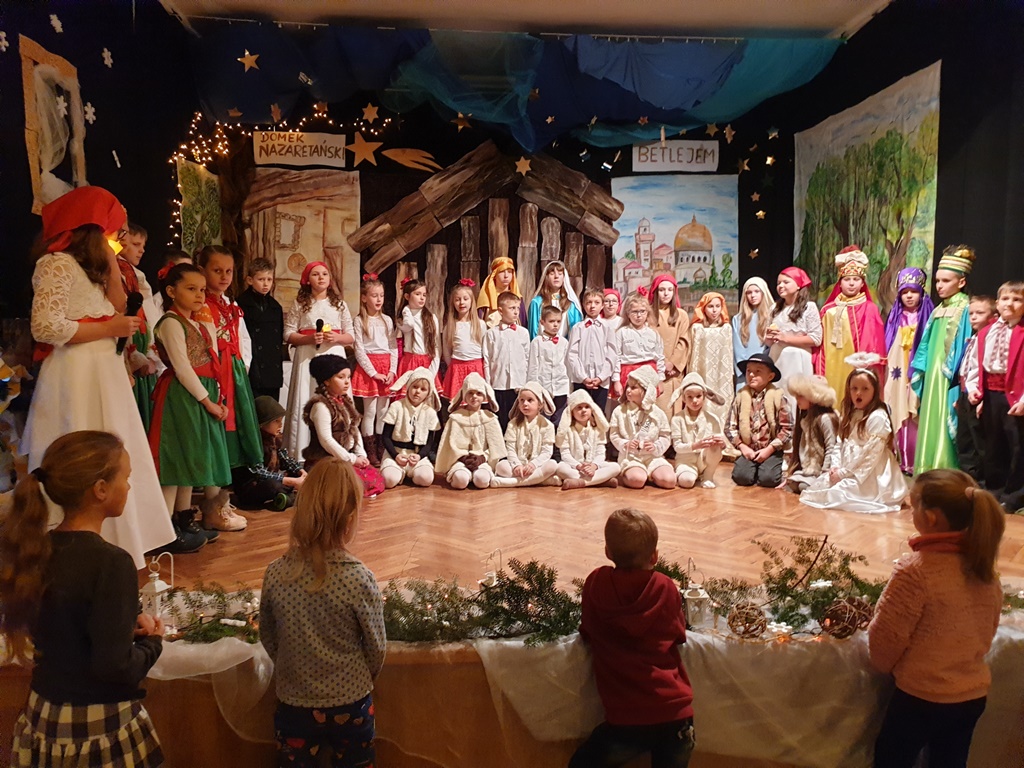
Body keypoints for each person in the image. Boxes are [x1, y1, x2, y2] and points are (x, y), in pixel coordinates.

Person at [21, 185, 174, 566]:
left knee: (113, 451)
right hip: (76, 374)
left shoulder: (94, 268)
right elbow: (45, 326)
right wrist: (108, 328)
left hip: (103, 371)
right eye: (114, 228)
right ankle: (67, 547)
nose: (119, 236)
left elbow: (120, 305)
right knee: (82, 448)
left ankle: (117, 544)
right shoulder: (56, 264)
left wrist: (109, 258)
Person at [2, 431, 165, 768]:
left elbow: (67, 628)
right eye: (126, 478)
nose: (128, 487)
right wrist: (153, 642)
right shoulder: (111, 563)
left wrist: (122, 627)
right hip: (96, 723)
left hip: (44, 712)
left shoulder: (37, 550)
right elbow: (115, 667)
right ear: (100, 489)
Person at [869, 469, 1004, 768]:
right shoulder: (985, 570)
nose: (911, 510)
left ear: (930, 518)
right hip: (972, 696)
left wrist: (885, 667)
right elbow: (989, 629)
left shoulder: (914, 572)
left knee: (891, 760)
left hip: (920, 698)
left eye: (914, 504)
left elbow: (884, 643)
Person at [260, 458, 386, 768]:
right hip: (351, 703)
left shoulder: (276, 573)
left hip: (294, 702)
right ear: (350, 518)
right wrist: (357, 679)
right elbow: (376, 647)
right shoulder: (359, 578)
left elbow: (268, 635)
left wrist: (293, 669)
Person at [570, 508, 695, 768]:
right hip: (675, 715)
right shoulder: (665, 587)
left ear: (608, 552)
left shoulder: (596, 583)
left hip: (626, 722)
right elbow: (678, 634)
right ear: (655, 556)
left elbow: (587, 630)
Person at [150, 262, 236, 541]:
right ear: (171, 291)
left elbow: (212, 360)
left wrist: (217, 397)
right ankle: (165, 528)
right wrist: (208, 402)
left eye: (201, 290)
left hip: (200, 393)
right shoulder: (170, 323)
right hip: (183, 395)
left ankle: (184, 517)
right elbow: (183, 368)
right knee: (177, 457)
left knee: (190, 456)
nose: (199, 295)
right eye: (191, 289)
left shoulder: (196, 324)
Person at [197, 245, 263, 527]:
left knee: (231, 439)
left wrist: (240, 367)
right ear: (202, 270)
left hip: (232, 374)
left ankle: (221, 502)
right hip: (214, 375)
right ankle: (212, 508)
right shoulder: (201, 305)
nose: (224, 276)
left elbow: (243, 339)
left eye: (228, 271)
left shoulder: (230, 305)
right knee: (216, 437)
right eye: (217, 270)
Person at [801, 367, 908, 513]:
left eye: (865, 389)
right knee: (819, 489)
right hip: (848, 466)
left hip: (869, 473)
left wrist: (843, 474)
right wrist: (835, 466)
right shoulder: (850, 414)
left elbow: (869, 455)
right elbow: (840, 442)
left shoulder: (878, 417)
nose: (858, 393)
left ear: (875, 391)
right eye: (854, 388)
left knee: (838, 494)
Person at [911, 245, 976, 473]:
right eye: (937, 281)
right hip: (933, 374)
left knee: (947, 418)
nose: (939, 285)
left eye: (946, 281)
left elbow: (966, 345)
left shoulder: (965, 308)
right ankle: (928, 466)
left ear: (961, 282)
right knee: (931, 417)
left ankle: (945, 467)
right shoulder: (938, 309)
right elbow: (926, 345)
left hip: (950, 377)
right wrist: (921, 370)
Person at [283, 261, 355, 456]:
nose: (321, 277)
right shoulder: (300, 304)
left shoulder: (339, 305)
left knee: (334, 396)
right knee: (307, 396)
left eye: (324, 274)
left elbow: (351, 335)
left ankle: (339, 447)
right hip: (308, 356)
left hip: (333, 355)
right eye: (315, 274)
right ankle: (301, 450)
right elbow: (288, 332)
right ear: (307, 280)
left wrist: (337, 338)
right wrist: (308, 339)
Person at [971, 281, 1024, 512]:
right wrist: (976, 389)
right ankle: (994, 490)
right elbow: (976, 363)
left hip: (1016, 397)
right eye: (1005, 299)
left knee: (1017, 446)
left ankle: (1014, 495)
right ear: (997, 302)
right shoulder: (986, 332)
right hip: (991, 394)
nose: (1010, 304)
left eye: (1017, 300)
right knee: (993, 445)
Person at [815, 246, 887, 397]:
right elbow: (820, 347)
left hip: (858, 367)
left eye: (856, 279)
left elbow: (873, 342)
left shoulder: (869, 309)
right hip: (833, 366)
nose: (852, 283)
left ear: (862, 283)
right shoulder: (828, 311)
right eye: (847, 279)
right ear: (840, 283)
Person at [883, 267, 935, 475]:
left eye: (913, 291)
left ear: (921, 293)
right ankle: (898, 457)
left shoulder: (927, 317)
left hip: (916, 373)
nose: (909, 296)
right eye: (905, 292)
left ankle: (915, 460)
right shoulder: (895, 317)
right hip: (897, 373)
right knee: (897, 409)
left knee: (914, 413)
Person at [116, 221, 160, 431]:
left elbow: (148, 314)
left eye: (143, 246)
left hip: (142, 347)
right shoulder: (115, 272)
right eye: (136, 244)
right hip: (126, 347)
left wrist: (150, 350)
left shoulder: (136, 275)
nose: (141, 250)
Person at [725, 353, 793, 488]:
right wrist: (742, 446)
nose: (751, 375)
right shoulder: (740, 397)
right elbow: (729, 427)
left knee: (768, 480)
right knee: (741, 478)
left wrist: (770, 449)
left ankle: (768, 467)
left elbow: (788, 428)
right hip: (748, 449)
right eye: (748, 371)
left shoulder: (778, 397)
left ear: (770, 376)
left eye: (758, 371)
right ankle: (752, 469)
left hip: (770, 449)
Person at [351, 273, 398, 466]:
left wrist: (392, 371)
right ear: (364, 298)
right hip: (369, 368)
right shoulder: (359, 321)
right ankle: (369, 451)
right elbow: (359, 349)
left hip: (386, 367)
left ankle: (381, 448)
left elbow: (393, 347)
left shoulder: (387, 320)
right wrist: (373, 373)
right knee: (370, 412)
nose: (379, 299)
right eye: (374, 295)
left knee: (383, 411)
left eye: (381, 295)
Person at [231, 396, 306, 511]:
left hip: (270, 480)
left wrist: (301, 472)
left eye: (281, 420)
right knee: (273, 485)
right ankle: (288, 496)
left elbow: (285, 459)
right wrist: (291, 481)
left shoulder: (274, 440)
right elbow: (259, 473)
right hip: (251, 487)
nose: (280, 425)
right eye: (276, 421)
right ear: (262, 424)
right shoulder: (252, 444)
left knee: (296, 473)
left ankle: (285, 496)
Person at [434, 372, 507, 490]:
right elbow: (450, 445)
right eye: (470, 393)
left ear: (485, 396)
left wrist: (482, 458)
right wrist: (463, 458)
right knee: (460, 480)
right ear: (464, 395)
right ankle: (462, 475)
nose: (474, 396)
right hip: (460, 460)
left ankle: (476, 476)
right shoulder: (456, 418)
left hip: (482, 460)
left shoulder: (490, 418)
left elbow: (496, 447)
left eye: (479, 393)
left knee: (482, 480)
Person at [609, 365, 675, 490]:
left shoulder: (658, 413)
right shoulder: (619, 411)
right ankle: (637, 473)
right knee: (637, 480)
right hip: (631, 457)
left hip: (652, 457)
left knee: (669, 481)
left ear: (646, 391)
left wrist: (656, 447)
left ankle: (651, 472)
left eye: (634, 388)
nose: (628, 390)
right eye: (627, 386)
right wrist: (625, 444)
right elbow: (614, 435)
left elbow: (665, 436)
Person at [381, 367, 442, 489]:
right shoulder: (396, 406)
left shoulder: (430, 412)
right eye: (414, 387)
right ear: (408, 387)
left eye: (423, 389)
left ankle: (412, 472)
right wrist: (395, 455)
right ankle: (398, 471)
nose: (417, 391)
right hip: (396, 453)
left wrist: (420, 456)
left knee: (426, 478)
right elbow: (385, 437)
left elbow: (430, 442)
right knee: (389, 480)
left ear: (428, 392)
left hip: (417, 455)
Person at [491, 380, 560, 487]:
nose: (525, 404)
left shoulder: (547, 425)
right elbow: (510, 448)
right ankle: (540, 480)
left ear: (540, 404)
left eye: (530, 400)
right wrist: (516, 465)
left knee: (552, 465)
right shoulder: (513, 424)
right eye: (522, 400)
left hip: (536, 466)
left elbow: (547, 451)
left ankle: (512, 482)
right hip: (518, 465)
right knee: (500, 466)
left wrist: (533, 464)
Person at [237, 257, 285, 401]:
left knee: (272, 409)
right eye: (261, 279)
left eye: (269, 279)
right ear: (250, 280)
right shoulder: (241, 304)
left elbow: (278, 338)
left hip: (272, 370)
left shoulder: (275, 307)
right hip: (252, 366)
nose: (266, 284)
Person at [669, 372, 727, 489]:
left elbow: (720, 445)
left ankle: (708, 476)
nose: (694, 400)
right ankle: (685, 473)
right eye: (690, 397)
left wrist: (722, 444)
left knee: (714, 446)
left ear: (704, 396)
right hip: (686, 460)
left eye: (698, 396)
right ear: (684, 398)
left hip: (705, 460)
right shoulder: (677, 419)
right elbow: (677, 447)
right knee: (687, 481)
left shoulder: (712, 419)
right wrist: (695, 445)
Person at [482, 291, 531, 430]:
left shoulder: (523, 333)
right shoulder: (491, 334)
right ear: (500, 311)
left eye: (517, 308)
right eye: (511, 308)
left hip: (518, 383)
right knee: (501, 419)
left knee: (518, 418)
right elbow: (487, 360)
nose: (516, 312)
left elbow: (527, 358)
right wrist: (488, 384)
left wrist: (527, 381)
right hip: (499, 383)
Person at [767, 266, 822, 387]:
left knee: (795, 392)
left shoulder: (809, 307)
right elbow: (769, 342)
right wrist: (769, 337)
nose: (781, 286)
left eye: (786, 282)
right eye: (778, 283)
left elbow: (816, 339)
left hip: (797, 359)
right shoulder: (774, 308)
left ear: (798, 285)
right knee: (776, 392)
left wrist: (786, 338)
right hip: (776, 357)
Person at [689, 291, 734, 439]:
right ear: (703, 308)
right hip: (703, 371)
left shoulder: (726, 328)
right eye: (710, 306)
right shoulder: (697, 328)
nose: (714, 310)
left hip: (722, 374)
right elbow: (694, 354)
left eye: (717, 306)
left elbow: (729, 352)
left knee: (722, 402)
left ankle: (723, 434)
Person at [555, 388, 620, 489]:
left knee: (616, 467)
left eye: (587, 407)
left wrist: (593, 466)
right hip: (576, 467)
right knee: (560, 467)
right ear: (571, 411)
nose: (583, 410)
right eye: (579, 408)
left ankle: (581, 482)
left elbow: (600, 452)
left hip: (593, 467)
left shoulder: (597, 429)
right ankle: (600, 481)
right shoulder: (567, 430)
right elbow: (565, 454)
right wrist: (579, 466)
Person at [784, 374, 838, 493]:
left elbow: (831, 447)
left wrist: (825, 473)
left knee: (803, 486)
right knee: (792, 484)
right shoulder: (805, 419)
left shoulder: (825, 418)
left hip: (821, 471)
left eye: (801, 396)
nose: (797, 399)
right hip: (807, 470)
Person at [568, 288, 616, 413]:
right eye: (589, 302)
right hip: (581, 380)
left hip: (601, 382)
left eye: (596, 302)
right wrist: (583, 377)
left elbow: (612, 354)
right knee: (580, 413)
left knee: (599, 413)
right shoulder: (577, 328)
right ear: (583, 305)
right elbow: (572, 354)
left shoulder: (607, 327)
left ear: (602, 305)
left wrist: (601, 377)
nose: (592, 306)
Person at [648, 274, 690, 417]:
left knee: (673, 413)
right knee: (654, 414)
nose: (666, 293)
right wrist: (663, 363)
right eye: (662, 290)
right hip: (655, 370)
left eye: (670, 290)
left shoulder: (681, 315)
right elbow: (649, 341)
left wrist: (673, 363)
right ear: (655, 292)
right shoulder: (649, 314)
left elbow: (684, 341)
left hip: (673, 373)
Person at [612, 291, 665, 402]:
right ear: (628, 313)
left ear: (647, 312)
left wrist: (660, 379)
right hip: (628, 372)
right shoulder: (621, 332)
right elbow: (616, 357)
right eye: (635, 312)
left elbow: (659, 357)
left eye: (642, 311)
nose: (639, 315)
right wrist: (616, 380)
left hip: (650, 372)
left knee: (647, 405)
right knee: (629, 405)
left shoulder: (653, 333)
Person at [442, 279, 487, 403]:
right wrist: (453, 365)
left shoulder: (480, 324)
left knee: (475, 402)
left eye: (465, 299)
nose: (462, 302)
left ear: (472, 301)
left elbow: (485, 349)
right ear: (453, 303)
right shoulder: (450, 326)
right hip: (457, 368)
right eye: (457, 299)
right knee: (458, 403)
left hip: (476, 367)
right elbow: (446, 351)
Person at [528, 305, 570, 425]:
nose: (555, 325)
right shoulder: (537, 342)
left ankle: (557, 437)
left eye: (558, 321)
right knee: (544, 419)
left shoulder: (564, 342)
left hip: (561, 386)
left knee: (559, 419)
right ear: (542, 322)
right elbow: (533, 366)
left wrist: (569, 389)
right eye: (551, 321)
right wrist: (534, 388)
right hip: (543, 387)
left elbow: (568, 365)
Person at [731, 277, 773, 391]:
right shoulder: (738, 319)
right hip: (745, 372)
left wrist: (762, 366)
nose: (753, 295)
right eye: (749, 292)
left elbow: (771, 346)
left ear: (763, 292)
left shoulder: (772, 317)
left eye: (756, 291)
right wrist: (747, 369)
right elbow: (737, 348)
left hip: (765, 368)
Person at [527, 260, 582, 338]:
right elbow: (533, 332)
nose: (556, 276)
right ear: (546, 277)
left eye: (560, 273)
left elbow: (576, 331)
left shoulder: (571, 304)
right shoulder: (536, 303)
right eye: (552, 274)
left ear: (564, 277)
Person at [477, 255, 523, 328]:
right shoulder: (486, 298)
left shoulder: (517, 297)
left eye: (509, 272)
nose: (506, 275)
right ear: (494, 275)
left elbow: (523, 323)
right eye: (501, 272)